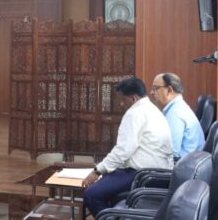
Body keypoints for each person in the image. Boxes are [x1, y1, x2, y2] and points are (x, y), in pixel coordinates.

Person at [82, 77, 173, 217]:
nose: (121, 103)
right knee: (107, 179)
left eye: (123, 99)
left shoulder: (134, 113)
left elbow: (123, 151)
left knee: (91, 194)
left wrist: (97, 171)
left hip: (141, 174)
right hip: (159, 173)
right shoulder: (154, 110)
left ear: (133, 98)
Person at [149, 72, 204, 159]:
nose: (151, 92)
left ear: (169, 90)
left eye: (155, 88)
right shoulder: (177, 107)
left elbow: (170, 154)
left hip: (183, 164)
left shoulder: (175, 114)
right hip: (189, 161)